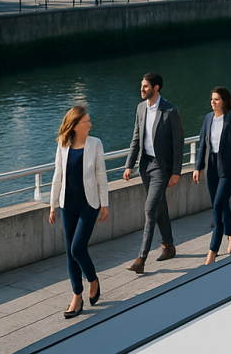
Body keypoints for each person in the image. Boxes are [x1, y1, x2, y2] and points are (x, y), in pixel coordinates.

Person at [48, 106, 109, 318]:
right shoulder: (63, 144)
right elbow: (58, 175)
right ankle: (77, 295)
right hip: (67, 204)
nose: (90, 124)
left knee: (77, 248)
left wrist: (105, 204)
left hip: (89, 204)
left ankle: (92, 279)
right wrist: (53, 204)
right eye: (86, 122)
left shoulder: (96, 144)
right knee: (69, 251)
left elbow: (101, 174)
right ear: (75, 125)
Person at [122, 72, 185, 274]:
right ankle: (168, 245)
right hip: (145, 165)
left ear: (156, 88)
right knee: (160, 206)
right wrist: (129, 165)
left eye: (146, 86)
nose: (142, 89)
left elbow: (178, 144)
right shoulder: (141, 108)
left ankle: (141, 258)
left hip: (161, 167)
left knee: (150, 209)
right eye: (142, 86)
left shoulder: (170, 110)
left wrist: (176, 172)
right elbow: (136, 138)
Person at [193, 87, 231, 264]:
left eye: (216, 99)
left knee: (217, 205)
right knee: (222, 205)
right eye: (211, 99)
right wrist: (197, 167)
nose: (213, 102)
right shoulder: (208, 118)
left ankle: (212, 251)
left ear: (224, 100)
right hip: (212, 168)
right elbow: (202, 144)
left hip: (229, 169)